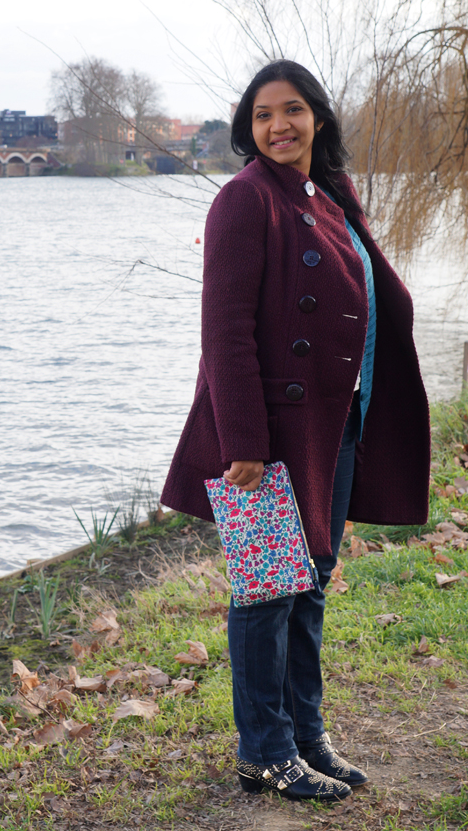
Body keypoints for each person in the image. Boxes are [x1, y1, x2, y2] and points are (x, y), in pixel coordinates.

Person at [161, 60, 430, 802]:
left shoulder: (330, 194)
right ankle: (263, 750)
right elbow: (223, 331)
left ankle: (305, 734)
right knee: (264, 592)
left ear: (317, 117)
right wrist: (240, 438)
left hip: (334, 422)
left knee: (307, 587)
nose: (277, 126)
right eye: (261, 116)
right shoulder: (243, 201)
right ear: (247, 131)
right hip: (267, 435)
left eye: (291, 111)